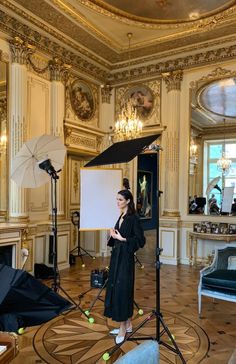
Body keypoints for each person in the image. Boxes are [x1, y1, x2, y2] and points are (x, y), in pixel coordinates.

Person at [104, 189, 146, 344]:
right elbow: (118, 237)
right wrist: (113, 235)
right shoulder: (121, 215)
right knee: (117, 288)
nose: (117, 202)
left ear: (128, 201)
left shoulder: (133, 218)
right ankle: (128, 324)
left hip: (126, 259)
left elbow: (140, 241)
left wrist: (122, 239)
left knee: (123, 291)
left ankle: (123, 328)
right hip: (116, 257)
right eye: (117, 199)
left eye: (120, 200)